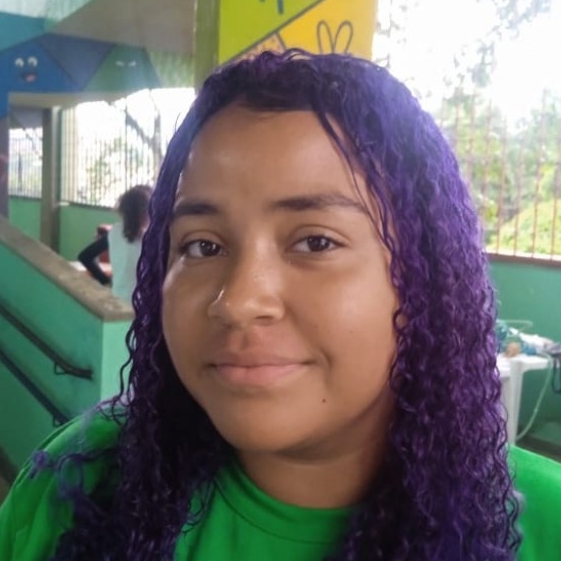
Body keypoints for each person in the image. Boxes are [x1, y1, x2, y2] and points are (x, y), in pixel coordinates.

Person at [0, 50, 560, 561]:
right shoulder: (77, 486)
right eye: (202, 246)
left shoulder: (543, 527)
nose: (239, 302)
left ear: (423, 277)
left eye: (315, 242)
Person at [77, 184, 152, 303]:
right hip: (141, 305)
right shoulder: (151, 238)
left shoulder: (115, 232)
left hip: (117, 300)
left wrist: (105, 281)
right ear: (147, 212)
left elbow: (85, 256)